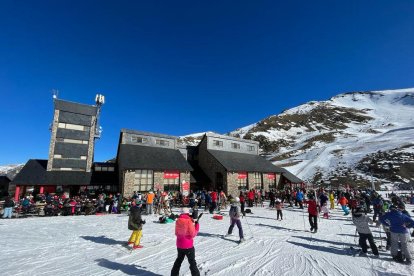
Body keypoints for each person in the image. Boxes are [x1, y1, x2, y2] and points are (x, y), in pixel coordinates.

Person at [171, 207, 200, 276]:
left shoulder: (178, 220)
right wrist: (197, 224)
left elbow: (176, 233)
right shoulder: (188, 221)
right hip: (188, 246)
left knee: (178, 261)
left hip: (179, 245)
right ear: (188, 213)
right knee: (192, 262)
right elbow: (193, 234)